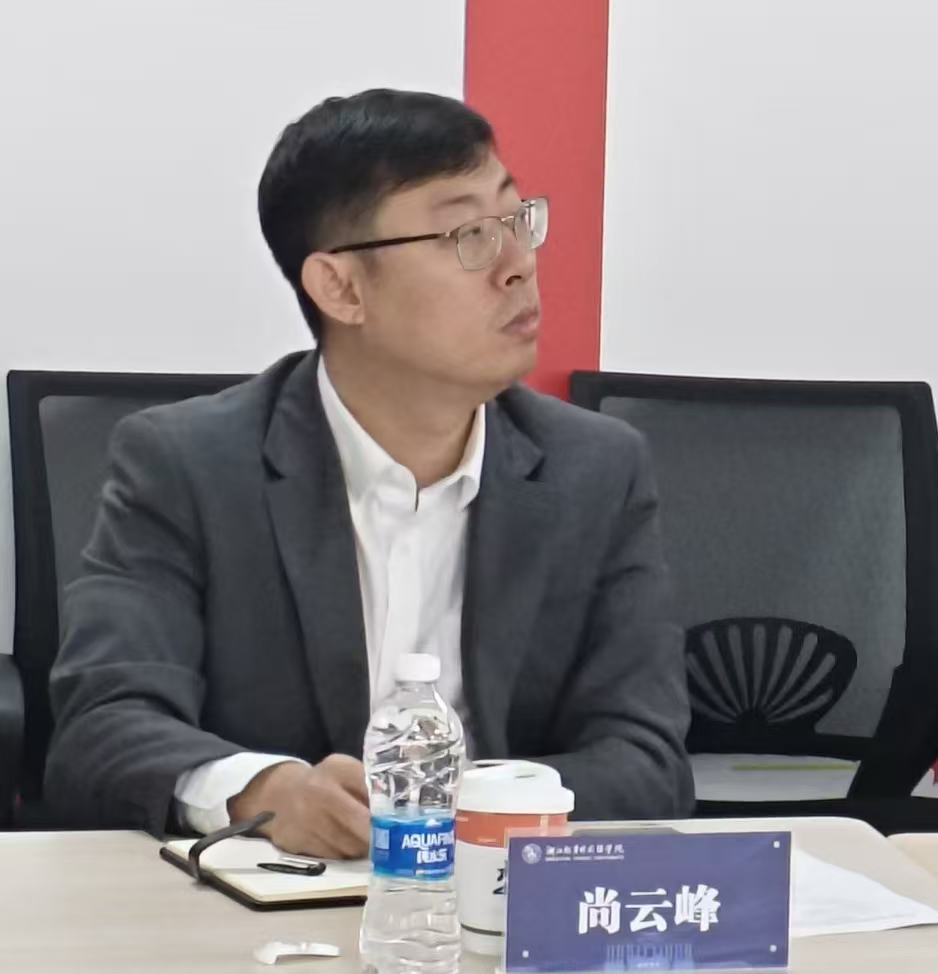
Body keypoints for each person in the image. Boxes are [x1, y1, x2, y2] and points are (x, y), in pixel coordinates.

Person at [45, 88, 694, 854]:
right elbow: (102, 729)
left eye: (517, 220)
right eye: (468, 235)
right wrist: (263, 791)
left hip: (495, 893)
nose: (519, 265)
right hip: (266, 896)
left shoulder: (596, 469)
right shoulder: (187, 465)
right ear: (341, 288)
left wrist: (446, 810)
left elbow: (646, 759)